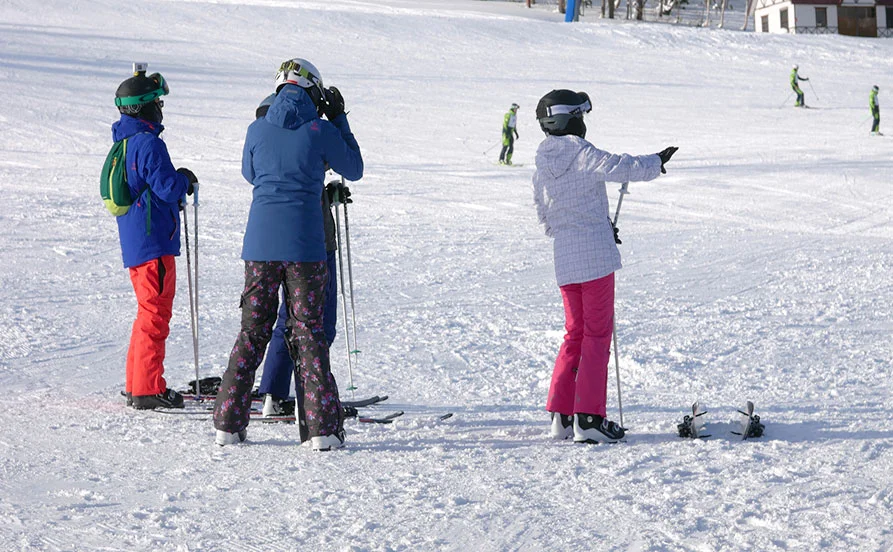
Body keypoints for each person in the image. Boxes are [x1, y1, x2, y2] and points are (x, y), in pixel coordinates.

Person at [213, 58, 363, 450]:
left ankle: (228, 424)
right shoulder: (321, 129)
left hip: (259, 247)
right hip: (305, 249)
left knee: (252, 331)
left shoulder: (256, 129)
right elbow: (354, 167)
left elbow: (250, 174)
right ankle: (322, 431)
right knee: (309, 332)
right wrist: (340, 119)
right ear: (315, 91)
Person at [532, 89, 677, 444]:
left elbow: (546, 218)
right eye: (580, 116)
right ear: (570, 119)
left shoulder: (541, 166)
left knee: (575, 335)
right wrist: (655, 162)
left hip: (564, 259)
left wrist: (590, 223)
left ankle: (562, 416)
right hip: (594, 258)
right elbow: (620, 166)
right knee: (597, 336)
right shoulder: (580, 152)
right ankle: (590, 418)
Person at [111, 64, 197, 410]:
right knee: (155, 314)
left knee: (146, 312)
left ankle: (138, 383)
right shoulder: (148, 144)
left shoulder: (126, 141)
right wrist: (184, 181)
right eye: (157, 102)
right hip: (154, 242)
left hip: (138, 244)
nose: (161, 108)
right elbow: (165, 187)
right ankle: (148, 388)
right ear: (143, 106)